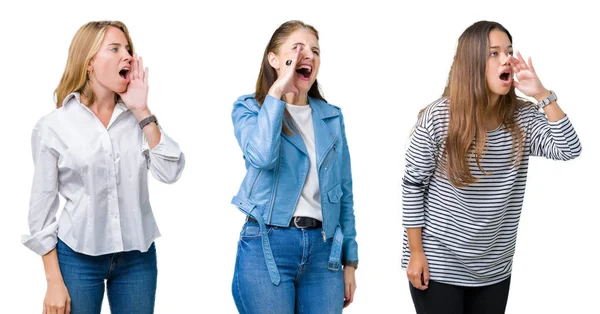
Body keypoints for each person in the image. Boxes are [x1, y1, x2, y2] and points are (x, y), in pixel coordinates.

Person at [401, 20, 581, 314]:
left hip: (494, 267)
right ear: (473, 65)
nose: (506, 60)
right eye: (493, 53)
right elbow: (413, 184)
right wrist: (416, 252)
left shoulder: (522, 118)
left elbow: (568, 148)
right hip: (439, 262)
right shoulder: (438, 117)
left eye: (508, 51)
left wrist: (541, 94)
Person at [22, 20, 185, 314]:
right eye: (115, 48)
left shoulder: (138, 119)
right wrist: (53, 282)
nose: (128, 56)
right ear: (89, 63)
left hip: (138, 258)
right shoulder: (53, 126)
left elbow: (170, 171)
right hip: (77, 257)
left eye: (128, 49)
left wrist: (142, 111)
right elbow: (41, 211)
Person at [230, 20, 358, 314]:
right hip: (268, 245)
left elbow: (345, 191)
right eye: (298, 49)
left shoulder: (331, 117)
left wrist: (350, 261)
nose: (309, 56)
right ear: (274, 60)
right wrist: (276, 95)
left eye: (315, 50)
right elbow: (262, 157)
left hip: (324, 251)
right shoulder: (251, 109)